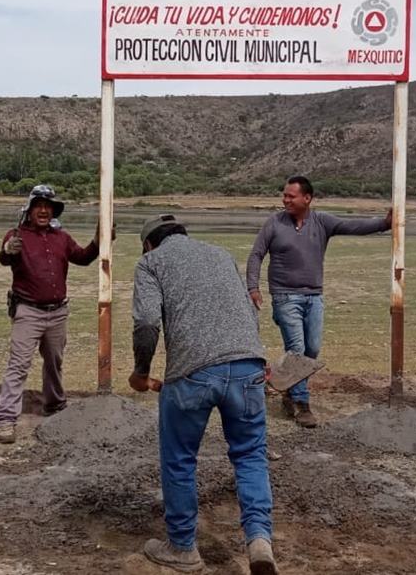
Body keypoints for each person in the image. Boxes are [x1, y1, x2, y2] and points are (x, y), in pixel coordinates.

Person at [130, 214, 277, 575]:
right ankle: (259, 538)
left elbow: (147, 323)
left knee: (180, 458)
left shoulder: (151, 262)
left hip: (192, 372)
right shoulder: (220, 253)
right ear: (182, 234)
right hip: (248, 365)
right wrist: (257, 358)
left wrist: (141, 372)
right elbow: (246, 310)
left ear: (150, 243)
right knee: (250, 455)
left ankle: (182, 547)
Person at [246, 175, 390, 427]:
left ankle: (289, 390)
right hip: (284, 296)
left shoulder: (322, 221)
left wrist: (384, 224)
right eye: (284, 195)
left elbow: (352, 226)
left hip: (314, 296)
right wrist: (253, 287)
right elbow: (257, 254)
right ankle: (302, 405)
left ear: (307, 198)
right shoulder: (274, 223)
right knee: (297, 348)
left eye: (291, 196)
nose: (285, 200)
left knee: (311, 349)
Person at [0, 185, 101, 444]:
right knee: (18, 365)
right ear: (29, 210)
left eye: (47, 206)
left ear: (53, 211)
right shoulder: (16, 235)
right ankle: (5, 418)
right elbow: (5, 258)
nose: (43, 210)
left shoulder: (61, 237)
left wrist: (98, 241)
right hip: (28, 310)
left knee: (54, 363)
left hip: (58, 311)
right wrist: (8, 250)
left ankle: (54, 405)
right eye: (38, 206)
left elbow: (83, 258)